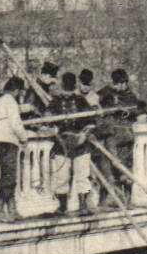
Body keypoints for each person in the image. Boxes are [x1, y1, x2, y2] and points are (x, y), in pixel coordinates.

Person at [47, 72, 96, 216]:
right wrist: (51, 124)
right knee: (62, 177)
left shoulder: (81, 101)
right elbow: (47, 118)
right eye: (65, 88)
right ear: (62, 86)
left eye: (70, 88)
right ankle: (62, 207)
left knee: (82, 175)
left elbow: (91, 122)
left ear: (73, 86)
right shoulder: (55, 101)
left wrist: (83, 135)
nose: (67, 92)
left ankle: (83, 205)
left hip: (80, 143)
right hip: (62, 143)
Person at [0, 75, 31, 223]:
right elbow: (15, 123)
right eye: (21, 91)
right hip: (7, 142)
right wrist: (24, 138)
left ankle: (10, 210)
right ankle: (0, 210)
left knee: (8, 176)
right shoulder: (10, 101)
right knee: (9, 177)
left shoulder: (1, 100)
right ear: (17, 90)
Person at [96, 68, 141, 202]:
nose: (121, 86)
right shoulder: (106, 93)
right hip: (110, 134)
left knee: (126, 165)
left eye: (123, 83)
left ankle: (127, 196)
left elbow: (135, 111)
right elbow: (96, 102)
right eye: (117, 83)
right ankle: (105, 198)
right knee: (107, 165)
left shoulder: (130, 96)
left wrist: (124, 109)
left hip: (125, 135)